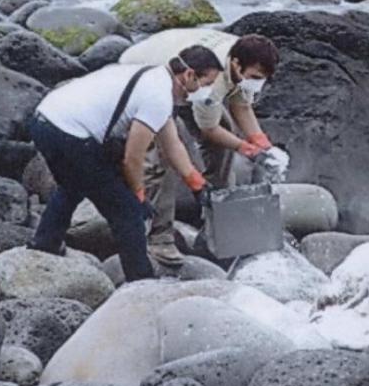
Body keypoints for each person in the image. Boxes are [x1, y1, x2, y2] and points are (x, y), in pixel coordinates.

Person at [27, 45, 224, 281]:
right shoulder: (157, 96)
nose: (207, 91)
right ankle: (141, 281)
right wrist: (138, 194)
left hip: (45, 119)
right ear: (189, 75)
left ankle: (45, 242)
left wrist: (197, 184)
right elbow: (133, 157)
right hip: (68, 133)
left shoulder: (155, 78)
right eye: (207, 83)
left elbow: (172, 144)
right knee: (127, 212)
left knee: (73, 185)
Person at [119, 28, 280, 266]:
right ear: (236, 65)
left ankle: (217, 212)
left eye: (261, 79)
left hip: (189, 74)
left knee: (226, 132)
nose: (257, 83)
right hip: (146, 71)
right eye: (255, 78)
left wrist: (262, 143)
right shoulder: (214, 82)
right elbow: (210, 130)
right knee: (160, 158)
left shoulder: (245, 56)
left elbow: (241, 106)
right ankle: (159, 236)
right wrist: (246, 149)